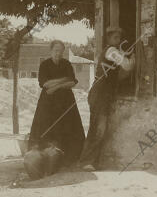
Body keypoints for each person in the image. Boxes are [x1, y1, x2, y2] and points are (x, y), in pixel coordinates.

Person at [79, 27, 135, 171]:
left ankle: (90, 161)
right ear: (109, 39)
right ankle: (87, 162)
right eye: (115, 38)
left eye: (119, 38)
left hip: (104, 94)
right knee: (98, 129)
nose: (118, 40)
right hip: (99, 94)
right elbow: (127, 66)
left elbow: (120, 75)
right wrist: (133, 57)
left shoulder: (114, 52)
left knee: (98, 128)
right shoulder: (111, 51)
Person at [28, 40, 85, 168]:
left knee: (69, 127)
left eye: (60, 51)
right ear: (51, 51)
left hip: (66, 102)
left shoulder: (66, 64)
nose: (58, 53)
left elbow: (73, 82)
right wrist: (63, 80)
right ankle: (45, 160)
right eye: (56, 50)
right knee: (46, 127)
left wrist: (55, 86)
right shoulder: (45, 65)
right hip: (48, 103)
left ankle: (69, 159)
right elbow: (45, 83)